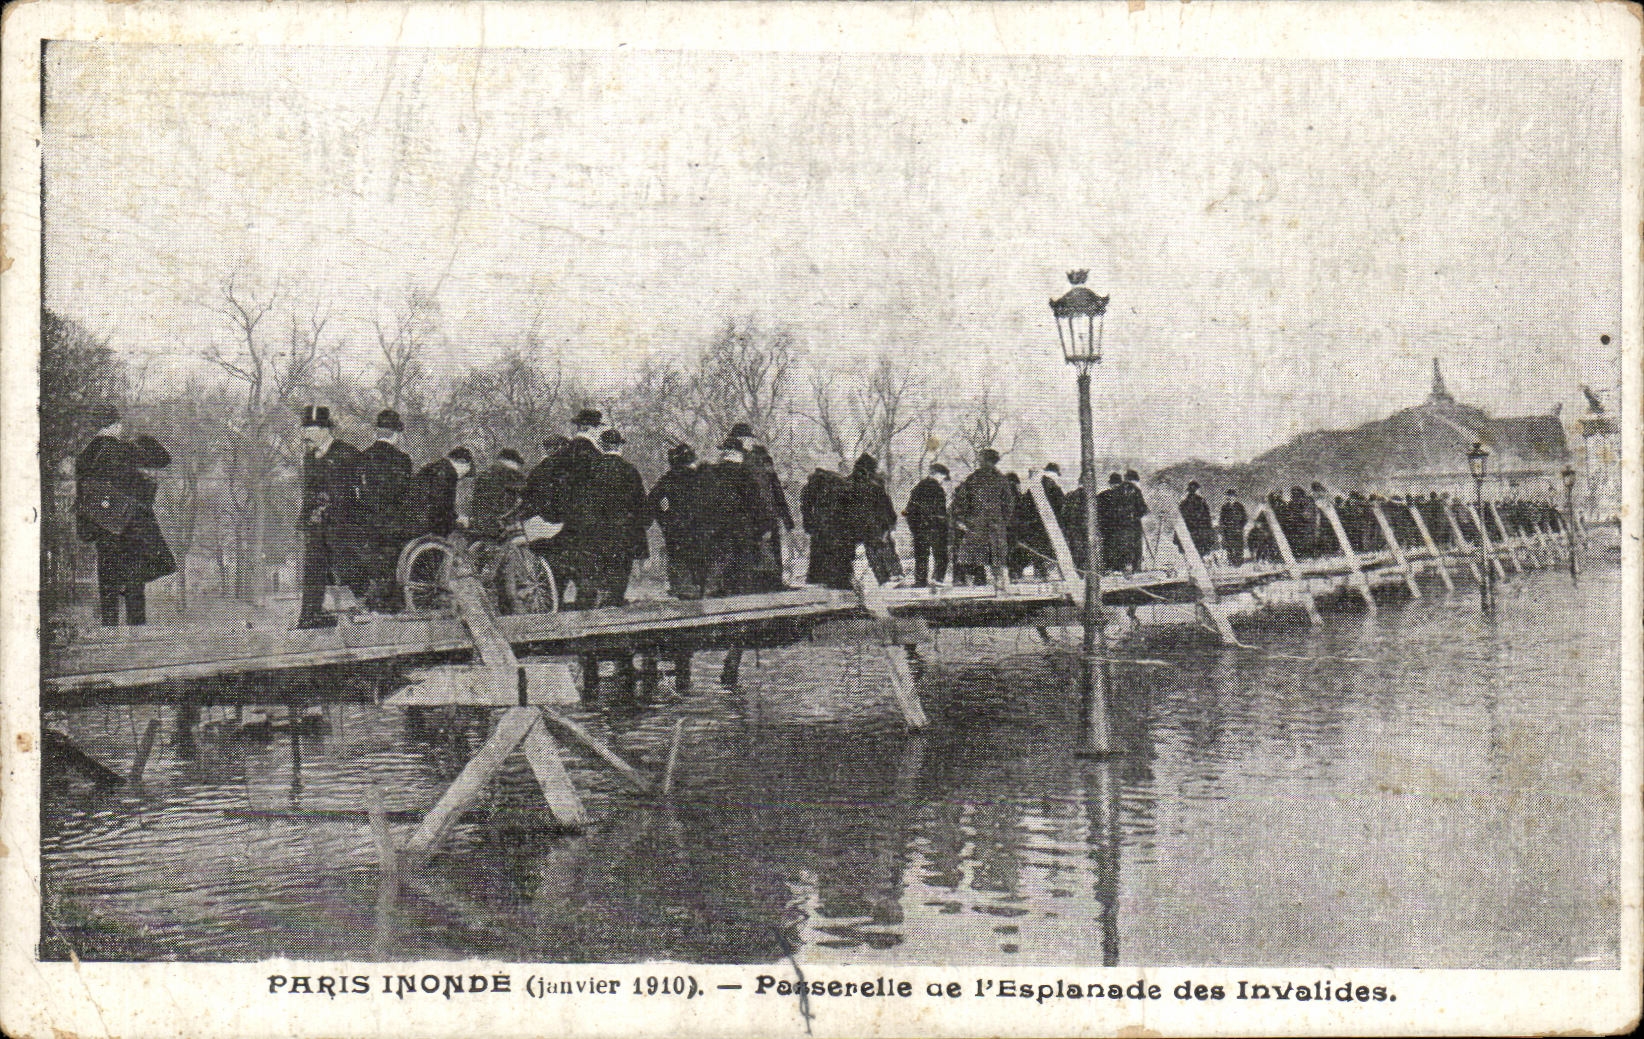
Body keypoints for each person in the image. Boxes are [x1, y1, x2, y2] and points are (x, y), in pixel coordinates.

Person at [74, 404, 175, 626]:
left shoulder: (86, 455)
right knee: (134, 579)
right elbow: (164, 459)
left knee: (107, 577)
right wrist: (142, 436)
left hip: (103, 526)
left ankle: (109, 627)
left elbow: (82, 493)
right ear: (115, 425)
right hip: (131, 525)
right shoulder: (125, 449)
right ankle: (135, 628)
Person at [296, 405, 365, 629]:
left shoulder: (348, 453)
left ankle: (371, 605)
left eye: (312, 428)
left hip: (342, 524)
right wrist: (304, 519)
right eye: (305, 427)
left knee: (348, 566)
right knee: (313, 567)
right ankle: (310, 616)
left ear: (326, 429)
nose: (306, 433)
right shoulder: (309, 458)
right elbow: (309, 492)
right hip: (318, 525)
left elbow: (359, 492)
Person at [575, 429, 650, 607]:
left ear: (601, 446)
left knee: (597, 573)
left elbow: (580, 502)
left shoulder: (590, 470)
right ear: (619, 447)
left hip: (595, 533)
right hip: (623, 533)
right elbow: (641, 504)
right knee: (620, 572)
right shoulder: (629, 470)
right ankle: (614, 602)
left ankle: (598, 604)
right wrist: (641, 527)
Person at [355, 408, 413, 611]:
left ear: (376, 432)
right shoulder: (403, 460)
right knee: (395, 570)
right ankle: (394, 610)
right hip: (394, 525)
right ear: (396, 434)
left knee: (374, 570)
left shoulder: (362, 458)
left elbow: (357, 494)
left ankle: (373, 608)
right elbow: (405, 495)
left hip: (368, 525)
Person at [696, 438, 767, 597]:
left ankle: (716, 591)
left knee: (719, 558)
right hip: (741, 525)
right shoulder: (744, 473)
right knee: (741, 562)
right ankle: (739, 596)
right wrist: (762, 526)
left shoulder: (712, 472)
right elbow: (755, 502)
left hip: (717, 525)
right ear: (738, 454)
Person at [950, 448, 1015, 589]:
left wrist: (962, 519)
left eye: (981, 459)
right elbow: (1009, 504)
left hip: (977, 525)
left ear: (985, 460)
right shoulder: (1001, 479)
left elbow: (961, 501)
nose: (979, 461)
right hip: (994, 526)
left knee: (971, 556)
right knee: (996, 556)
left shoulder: (973, 478)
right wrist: (1002, 520)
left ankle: (972, 586)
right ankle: (999, 585)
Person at [649, 443, 704, 599]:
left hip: (676, 534)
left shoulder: (668, 479)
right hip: (701, 534)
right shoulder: (702, 478)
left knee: (682, 583)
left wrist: (665, 519)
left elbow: (651, 503)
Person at [746, 442, 794, 591]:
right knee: (768, 550)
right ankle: (772, 583)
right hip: (767, 514)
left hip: (758, 515)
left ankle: (768, 584)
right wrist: (786, 518)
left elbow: (775, 489)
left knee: (764, 550)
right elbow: (777, 489)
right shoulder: (762, 460)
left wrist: (786, 518)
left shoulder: (751, 461)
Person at [800, 464, 855, 590]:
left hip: (825, 524)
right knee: (838, 551)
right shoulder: (843, 484)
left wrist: (808, 523)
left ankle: (822, 578)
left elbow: (805, 505)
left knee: (824, 551)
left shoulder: (819, 482)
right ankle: (840, 579)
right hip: (836, 524)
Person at [849, 455, 900, 585]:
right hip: (877, 523)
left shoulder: (849, 482)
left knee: (872, 552)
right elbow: (886, 504)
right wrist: (891, 521)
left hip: (859, 525)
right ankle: (895, 575)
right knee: (885, 547)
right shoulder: (875, 483)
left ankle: (883, 579)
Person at [409, 447, 474, 539]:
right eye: (467, 471)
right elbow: (440, 506)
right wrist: (456, 520)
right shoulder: (447, 473)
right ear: (463, 462)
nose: (462, 477)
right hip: (428, 529)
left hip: (413, 523)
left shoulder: (433, 468)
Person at [903, 462, 950, 587]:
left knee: (921, 555)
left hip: (920, 528)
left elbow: (909, 510)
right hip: (936, 528)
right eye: (943, 477)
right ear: (936, 474)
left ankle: (920, 581)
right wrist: (944, 525)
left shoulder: (918, 487)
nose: (943, 481)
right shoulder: (938, 490)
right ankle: (937, 579)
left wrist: (914, 527)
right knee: (941, 555)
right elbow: (941, 512)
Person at [471, 448, 527, 539]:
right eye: (517, 464)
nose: (518, 468)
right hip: (499, 524)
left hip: (479, 522)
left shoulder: (484, 475)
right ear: (511, 461)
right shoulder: (510, 474)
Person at [1094, 473, 1127, 572]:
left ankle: (1110, 569)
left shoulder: (1102, 495)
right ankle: (1121, 569)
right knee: (1121, 548)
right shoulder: (1125, 496)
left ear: (1110, 484)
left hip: (1106, 528)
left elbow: (1097, 511)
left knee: (1108, 548)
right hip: (1121, 529)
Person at [1119, 470, 1149, 572]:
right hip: (1134, 524)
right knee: (1136, 547)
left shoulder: (1117, 490)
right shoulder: (1136, 490)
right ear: (1134, 480)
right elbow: (1143, 508)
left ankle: (1124, 569)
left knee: (1123, 546)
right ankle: (1136, 570)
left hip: (1119, 525)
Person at [1178, 480, 1217, 559]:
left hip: (1189, 530)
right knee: (1201, 550)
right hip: (1200, 531)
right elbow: (1207, 516)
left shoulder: (1184, 502)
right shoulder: (1201, 501)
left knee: (1190, 551)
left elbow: (1181, 516)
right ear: (1196, 490)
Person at [1219, 489, 1248, 566]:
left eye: (1232, 496)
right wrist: (1223, 528)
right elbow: (1221, 519)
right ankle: (1231, 561)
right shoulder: (1224, 507)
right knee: (1229, 546)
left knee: (1238, 546)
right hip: (1228, 530)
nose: (1230, 498)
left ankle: (1238, 562)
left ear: (1235, 497)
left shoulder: (1240, 506)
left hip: (1237, 530)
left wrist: (1240, 527)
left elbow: (1245, 519)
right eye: (1228, 496)